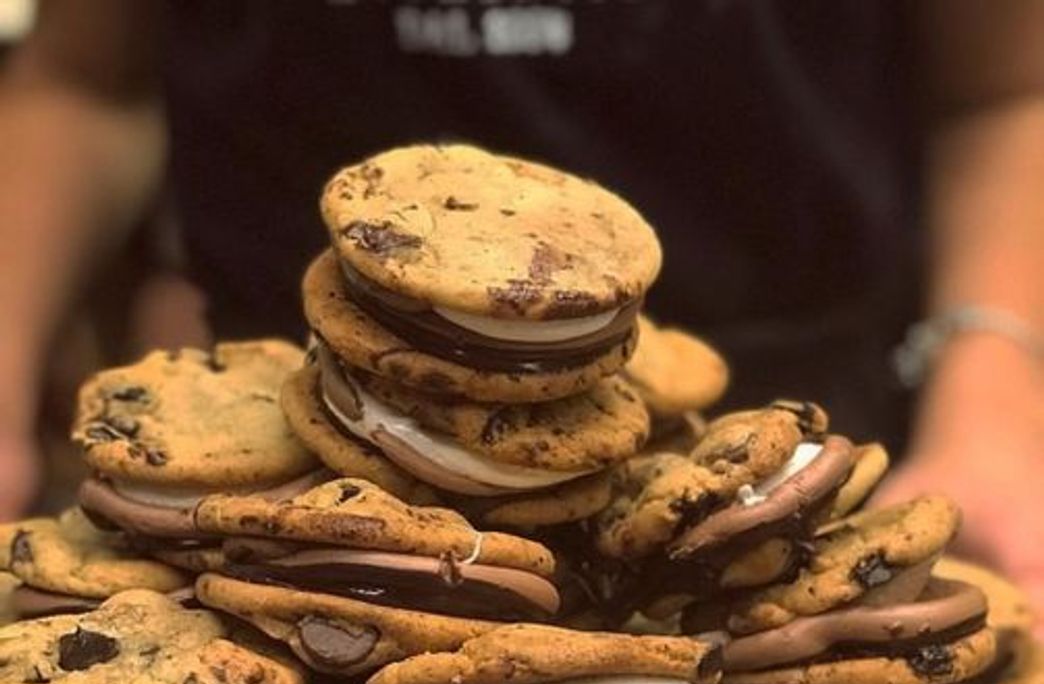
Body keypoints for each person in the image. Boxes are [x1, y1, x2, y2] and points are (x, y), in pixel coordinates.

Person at [1, 1, 1043, 620]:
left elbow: (1003, 94)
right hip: (280, 469)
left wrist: (991, 394)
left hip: (793, 462)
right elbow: (89, 84)